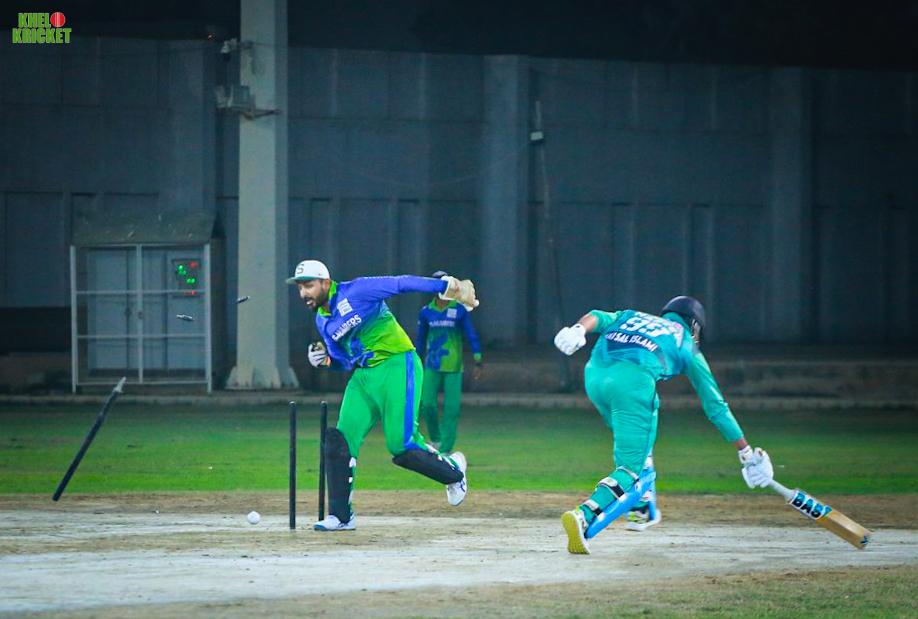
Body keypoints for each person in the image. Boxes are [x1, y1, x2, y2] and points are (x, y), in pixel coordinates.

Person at [553, 295, 774, 554]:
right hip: (632, 385)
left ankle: (641, 508)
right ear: (694, 326)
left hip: (594, 376)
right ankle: (584, 514)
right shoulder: (686, 343)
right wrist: (746, 452)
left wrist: (579, 329)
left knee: (643, 429)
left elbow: (598, 316)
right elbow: (716, 407)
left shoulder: (633, 315)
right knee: (631, 470)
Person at [287, 259, 479, 531]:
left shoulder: (357, 290)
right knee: (339, 441)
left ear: (326, 283)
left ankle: (454, 471)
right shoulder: (323, 321)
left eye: (308, 285)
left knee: (401, 446)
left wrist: (446, 287)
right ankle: (342, 517)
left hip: (397, 364)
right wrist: (325, 361)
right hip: (364, 377)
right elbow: (344, 362)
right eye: (300, 288)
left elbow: (401, 283)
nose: (303, 293)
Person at [417, 270, 483, 455]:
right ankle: (436, 439)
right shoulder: (426, 311)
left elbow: (471, 334)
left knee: (451, 409)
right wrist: (415, 361)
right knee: (427, 404)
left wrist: (478, 360)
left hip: (454, 367)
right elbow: (420, 340)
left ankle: (446, 449)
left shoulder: (458, 309)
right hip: (432, 365)